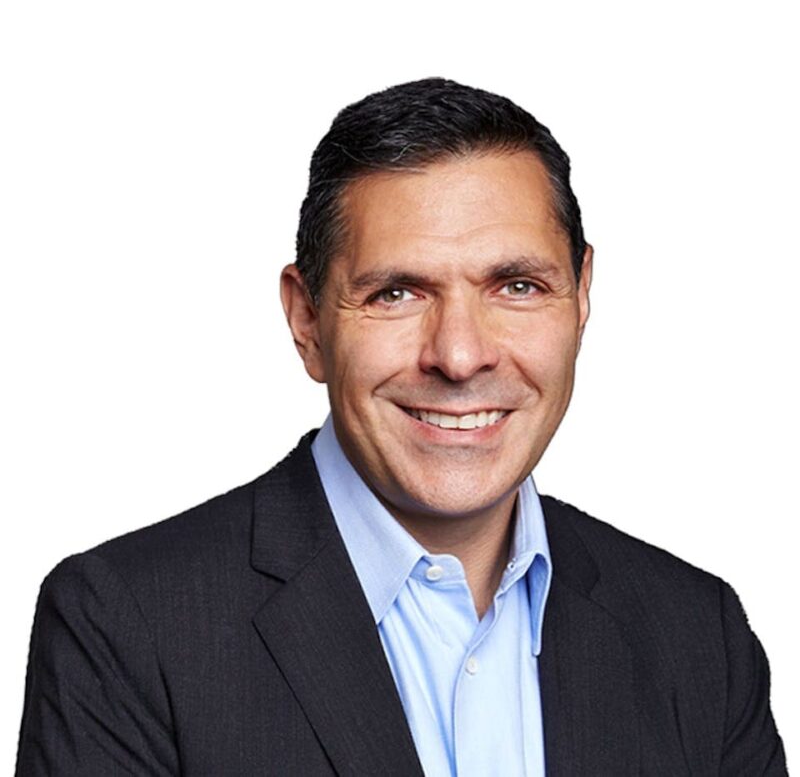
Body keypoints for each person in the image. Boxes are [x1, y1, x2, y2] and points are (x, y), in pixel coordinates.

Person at [16, 78, 786, 776]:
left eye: (517, 285)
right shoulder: (129, 625)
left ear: (582, 297)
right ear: (307, 320)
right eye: (395, 294)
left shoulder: (696, 634)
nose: (459, 355)